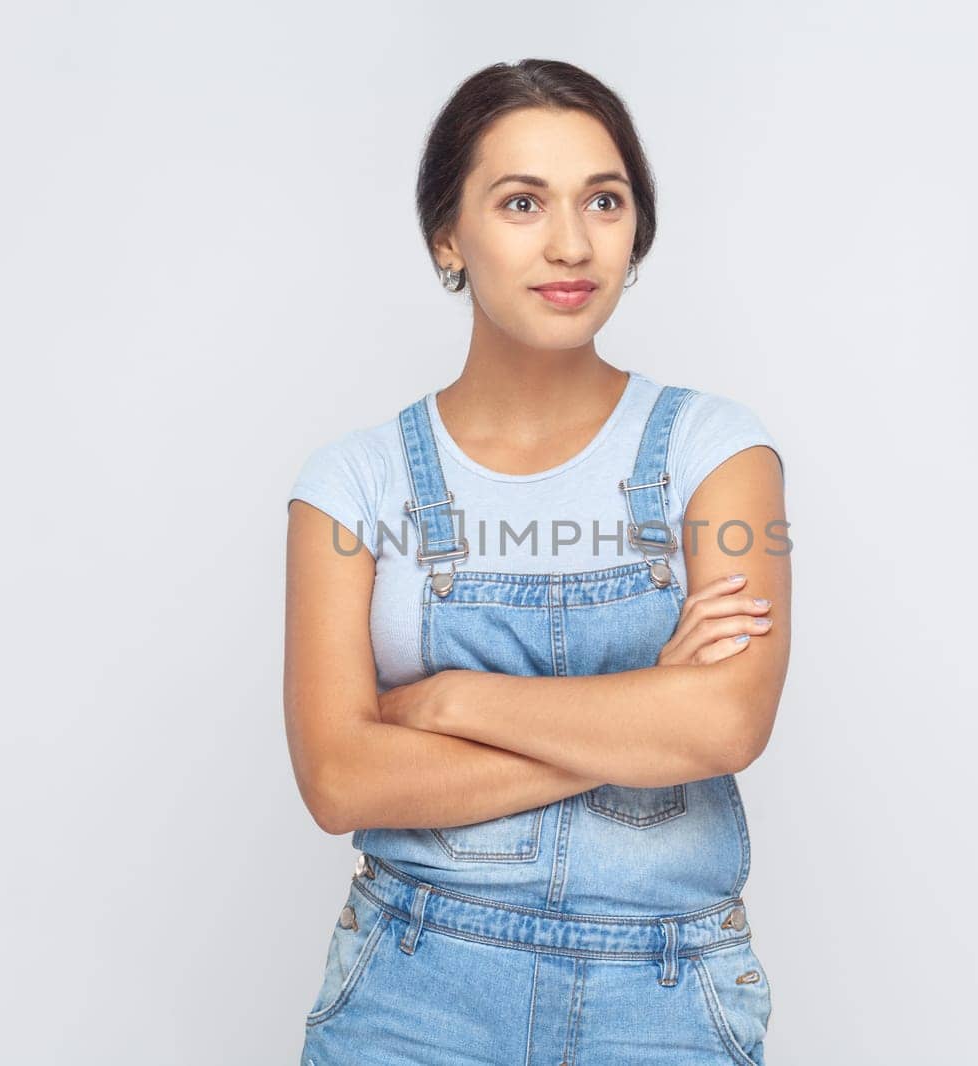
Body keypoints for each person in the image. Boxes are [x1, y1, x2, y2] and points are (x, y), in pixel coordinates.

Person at [284, 58, 790, 1065]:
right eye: (522, 202)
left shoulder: (718, 455)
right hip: (411, 988)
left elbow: (725, 721)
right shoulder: (352, 483)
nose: (571, 243)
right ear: (447, 236)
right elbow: (341, 778)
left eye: (604, 200)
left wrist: (448, 702)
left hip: (666, 989)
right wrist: (642, 715)